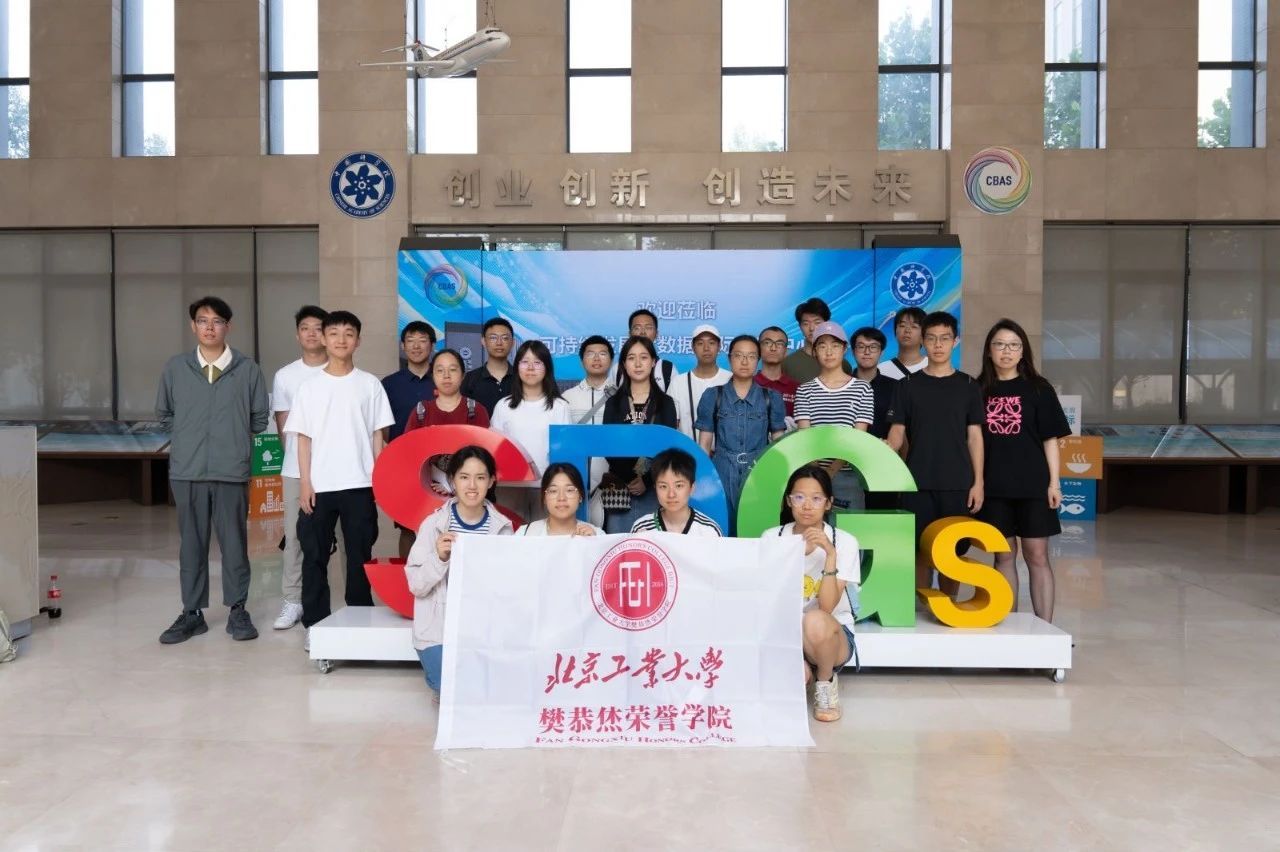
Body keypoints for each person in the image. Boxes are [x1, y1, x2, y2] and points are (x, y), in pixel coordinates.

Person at [155, 296, 270, 644]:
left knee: (234, 543)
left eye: (217, 321)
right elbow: (164, 414)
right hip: (187, 471)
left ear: (227, 327)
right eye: (203, 321)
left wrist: (231, 442)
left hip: (231, 470)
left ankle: (238, 609)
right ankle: (192, 613)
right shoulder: (176, 368)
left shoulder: (247, 369)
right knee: (191, 544)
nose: (209, 327)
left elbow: (259, 418)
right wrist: (188, 438)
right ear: (193, 326)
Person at [287, 310, 395, 649]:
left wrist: (378, 480)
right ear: (324, 338)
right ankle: (315, 623)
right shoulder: (309, 387)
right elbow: (303, 440)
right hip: (319, 486)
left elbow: (378, 436)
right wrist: (305, 483)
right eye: (333, 333)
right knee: (314, 555)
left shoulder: (370, 384)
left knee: (360, 556)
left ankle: (360, 618)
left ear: (358, 341)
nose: (341, 339)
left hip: (359, 485)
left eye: (349, 333)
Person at [977, 318, 1072, 623]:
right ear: (989, 350)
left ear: (1023, 351)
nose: (1006, 351)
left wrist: (1054, 483)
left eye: (1014, 345)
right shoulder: (977, 389)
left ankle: (1046, 628)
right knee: (1003, 556)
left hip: (1034, 486)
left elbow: (1050, 439)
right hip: (994, 488)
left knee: (1037, 556)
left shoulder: (1038, 389)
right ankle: (1007, 626)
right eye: (1000, 345)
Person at [886, 310, 984, 596]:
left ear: (956, 341)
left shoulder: (969, 386)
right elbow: (896, 435)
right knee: (919, 550)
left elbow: (975, 438)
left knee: (952, 553)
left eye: (944, 338)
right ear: (923, 341)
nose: (938, 345)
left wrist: (978, 482)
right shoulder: (907, 386)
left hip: (958, 483)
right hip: (917, 482)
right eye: (931, 338)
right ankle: (920, 609)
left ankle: (948, 608)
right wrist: (880, 449)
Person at [404, 446, 515, 694]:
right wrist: (438, 558)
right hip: (439, 631)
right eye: (464, 477)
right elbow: (416, 585)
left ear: (491, 481)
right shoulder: (433, 524)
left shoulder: (503, 529)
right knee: (449, 688)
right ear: (452, 480)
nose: (472, 486)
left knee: (492, 689)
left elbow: (510, 589)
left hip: (484, 628)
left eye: (480, 477)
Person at [762, 465, 860, 723]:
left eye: (816, 498)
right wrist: (796, 554)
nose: (807, 506)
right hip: (784, 631)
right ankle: (805, 669)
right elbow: (769, 597)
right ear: (788, 501)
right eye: (799, 497)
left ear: (828, 503)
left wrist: (830, 555)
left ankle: (825, 682)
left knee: (815, 618)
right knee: (793, 683)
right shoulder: (773, 538)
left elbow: (826, 607)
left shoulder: (844, 541)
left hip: (831, 636)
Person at [269, 304, 329, 630]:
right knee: (294, 537)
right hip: (295, 469)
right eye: (305, 328)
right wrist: (296, 461)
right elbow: (283, 426)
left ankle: (338, 603)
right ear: (297, 334)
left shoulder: (338, 370)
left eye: (318, 328)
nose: (311, 334)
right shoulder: (285, 376)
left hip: (334, 469)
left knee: (336, 538)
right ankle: (293, 600)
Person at [696, 335, 786, 534]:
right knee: (721, 530)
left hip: (758, 473)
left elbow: (779, 446)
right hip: (721, 472)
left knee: (756, 532)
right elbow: (704, 446)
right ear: (729, 359)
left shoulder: (771, 397)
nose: (745, 362)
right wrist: (702, 481)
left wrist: (779, 484)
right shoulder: (713, 395)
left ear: (758, 361)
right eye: (739, 355)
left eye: (751, 356)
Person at [794, 321, 874, 511]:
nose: (829, 352)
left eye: (835, 345)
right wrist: (818, 473)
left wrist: (831, 470)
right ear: (815, 351)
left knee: (849, 529)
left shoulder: (862, 389)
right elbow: (805, 437)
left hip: (848, 475)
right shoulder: (805, 390)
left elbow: (858, 436)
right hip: (812, 477)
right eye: (822, 346)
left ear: (844, 349)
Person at [602, 335, 678, 534]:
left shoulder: (666, 403)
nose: (637, 364)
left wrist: (646, 480)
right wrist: (630, 478)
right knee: (618, 544)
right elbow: (608, 446)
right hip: (621, 488)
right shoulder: (613, 403)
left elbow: (668, 446)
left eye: (643, 357)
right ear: (623, 365)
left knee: (652, 543)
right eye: (631, 358)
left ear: (653, 362)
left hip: (655, 487)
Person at [404, 348, 490, 498]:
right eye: (440, 370)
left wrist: (452, 486)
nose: (446, 375)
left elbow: (485, 458)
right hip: (428, 496)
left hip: (469, 495)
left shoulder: (476, 410)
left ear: (463, 375)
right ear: (433, 376)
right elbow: (408, 455)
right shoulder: (421, 412)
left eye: (452, 369)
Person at [489, 340, 572, 476]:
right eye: (525, 362)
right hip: (510, 481)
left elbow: (565, 451)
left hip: (549, 481)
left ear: (547, 368)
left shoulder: (560, 407)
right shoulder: (503, 406)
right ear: (517, 367)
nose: (530, 368)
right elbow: (494, 448)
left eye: (537, 362)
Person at [561, 335, 616, 528]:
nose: (597, 358)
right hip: (575, 482)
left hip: (612, 483)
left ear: (611, 360)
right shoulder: (567, 398)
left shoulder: (621, 396)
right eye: (591, 353)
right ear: (582, 360)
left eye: (603, 354)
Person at [630, 448, 723, 536]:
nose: (671, 494)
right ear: (655, 488)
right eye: (663, 486)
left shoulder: (710, 531)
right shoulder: (641, 528)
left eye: (679, 486)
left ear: (692, 488)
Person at [672, 324, 731, 441]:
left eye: (711, 343)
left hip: (724, 452)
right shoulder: (678, 383)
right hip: (688, 451)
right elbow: (673, 424)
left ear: (719, 346)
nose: (706, 348)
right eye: (700, 343)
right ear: (693, 347)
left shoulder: (730, 379)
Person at [381, 320, 437, 442]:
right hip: (400, 451)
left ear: (432, 345)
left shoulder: (442, 381)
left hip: (438, 451)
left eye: (422, 341)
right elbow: (382, 428)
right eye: (410, 341)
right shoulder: (389, 384)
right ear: (403, 345)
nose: (416, 346)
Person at [518, 463, 603, 537]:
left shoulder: (597, 535)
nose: (561, 498)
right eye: (553, 491)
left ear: (580, 496)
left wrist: (595, 543)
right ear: (544, 498)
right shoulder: (525, 534)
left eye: (569, 490)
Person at [782, 297, 853, 384]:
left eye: (817, 322)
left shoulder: (842, 365)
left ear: (827, 323)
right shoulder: (788, 363)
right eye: (806, 324)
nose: (812, 328)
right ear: (800, 327)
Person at [460, 317, 516, 416]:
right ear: (483, 341)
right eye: (493, 338)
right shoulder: (469, 379)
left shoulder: (522, 378)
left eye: (505, 338)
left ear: (513, 342)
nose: (499, 343)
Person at [850, 326, 896, 440]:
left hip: (883, 449)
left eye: (873, 347)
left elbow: (899, 427)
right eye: (861, 347)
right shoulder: (841, 385)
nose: (867, 352)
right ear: (853, 351)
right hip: (846, 450)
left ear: (881, 352)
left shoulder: (895, 387)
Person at [615, 308, 676, 391]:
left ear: (656, 334)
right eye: (637, 328)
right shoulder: (617, 369)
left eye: (648, 328)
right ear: (630, 334)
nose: (643, 332)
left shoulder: (668, 368)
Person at [755, 325, 800, 423]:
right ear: (758, 349)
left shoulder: (798, 389)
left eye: (779, 344)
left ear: (786, 351)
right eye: (767, 343)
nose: (773, 348)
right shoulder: (748, 384)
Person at [878, 307, 927, 380]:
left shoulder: (934, 367)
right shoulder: (880, 370)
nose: (907, 330)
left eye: (914, 326)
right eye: (902, 325)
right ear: (895, 331)